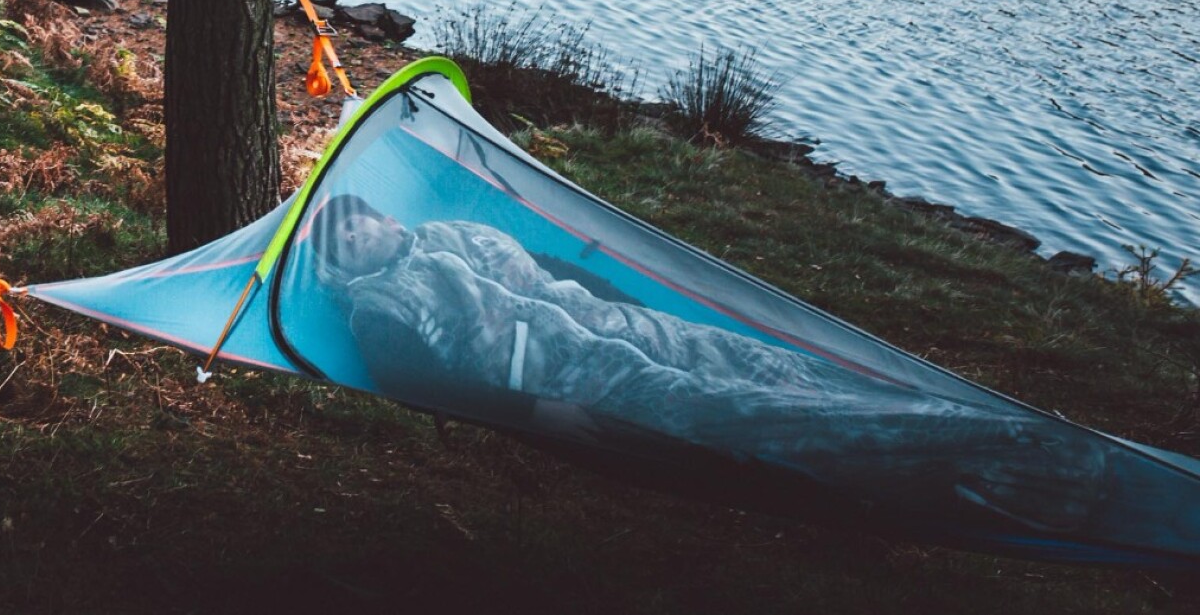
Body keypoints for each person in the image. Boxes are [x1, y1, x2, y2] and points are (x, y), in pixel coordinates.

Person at [310, 193, 1113, 532]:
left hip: (626, 324)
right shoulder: (382, 306)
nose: (359, 232)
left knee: (767, 362)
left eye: (358, 221)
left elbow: (555, 267)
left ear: (381, 214)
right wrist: (532, 413)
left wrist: (623, 296)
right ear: (343, 263)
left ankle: (970, 425)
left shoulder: (452, 231)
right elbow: (411, 380)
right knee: (759, 414)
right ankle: (1011, 453)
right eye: (342, 241)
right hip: (575, 375)